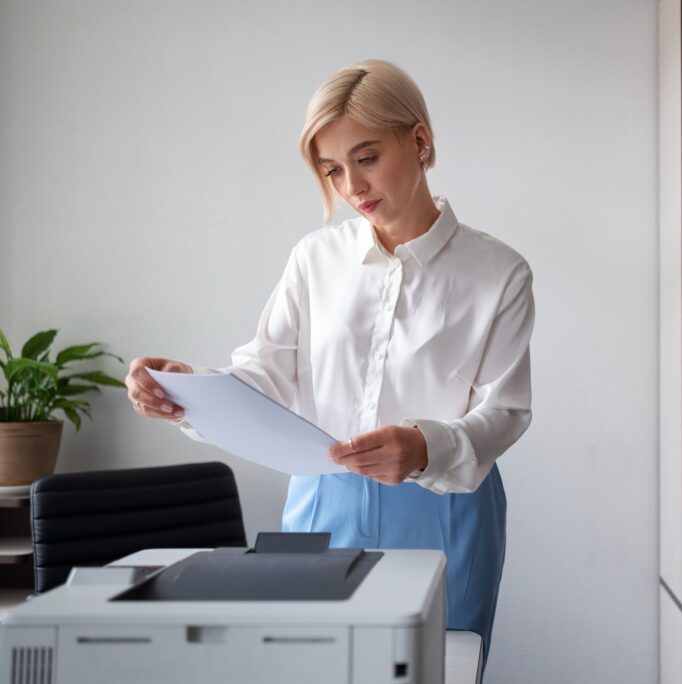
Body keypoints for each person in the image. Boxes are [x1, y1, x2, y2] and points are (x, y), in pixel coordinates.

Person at [124, 59, 534, 667]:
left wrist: (423, 446)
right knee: (309, 669)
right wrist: (187, 388)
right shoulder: (315, 258)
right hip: (322, 502)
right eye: (333, 169)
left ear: (420, 141)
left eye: (366, 158)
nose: (352, 187)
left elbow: (504, 409)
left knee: (436, 670)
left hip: (445, 507)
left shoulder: (499, 271)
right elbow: (263, 372)